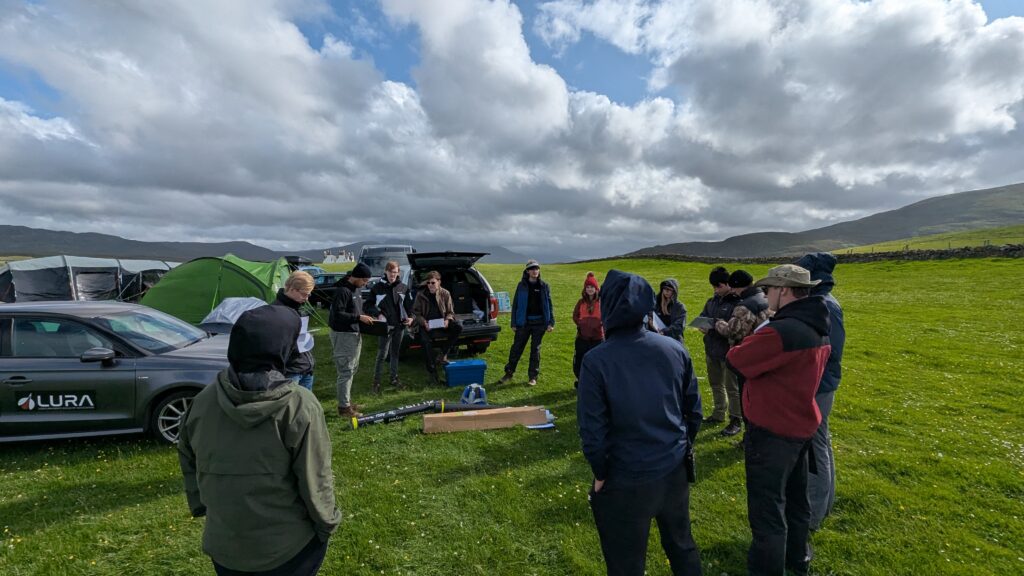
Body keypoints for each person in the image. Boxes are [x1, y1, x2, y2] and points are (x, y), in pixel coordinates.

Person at [178, 306, 341, 576]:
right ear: (283, 349)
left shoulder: (203, 401)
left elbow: (188, 460)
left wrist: (200, 504)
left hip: (226, 545)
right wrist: (328, 524)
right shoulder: (299, 405)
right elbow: (315, 477)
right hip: (289, 549)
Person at [578, 269, 703, 576]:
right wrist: (680, 447)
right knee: (682, 545)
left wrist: (600, 473)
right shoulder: (675, 349)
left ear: (608, 307)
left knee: (626, 562)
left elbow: (593, 431)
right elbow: (694, 412)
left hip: (627, 475)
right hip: (672, 466)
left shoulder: (596, 361)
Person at [726, 265, 831, 576]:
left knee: (767, 510)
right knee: (797, 501)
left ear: (784, 290)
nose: (766, 294)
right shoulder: (817, 324)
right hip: (801, 424)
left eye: (770, 288)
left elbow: (736, 359)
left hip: (773, 430)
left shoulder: (781, 331)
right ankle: (798, 559)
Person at [794, 252, 845, 531]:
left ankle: (813, 515)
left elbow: (829, 351)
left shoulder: (825, 306)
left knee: (815, 447)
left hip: (819, 384)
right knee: (821, 442)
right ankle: (824, 505)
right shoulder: (822, 302)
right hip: (821, 382)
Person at [716, 269, 771, 437]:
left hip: (748, 356)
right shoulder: (765, 298)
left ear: (738, 286)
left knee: (747, 398)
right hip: (766, 354)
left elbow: (734, 332)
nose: (733, 291)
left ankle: (750, 437)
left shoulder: (745, 305)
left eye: (733, 287)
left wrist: (718, 324)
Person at [329, 262, 375, 417]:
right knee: (346, 370)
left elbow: (357, 310)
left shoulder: (357, 289)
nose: (365, 284)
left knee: (352, 368)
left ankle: (347, 401)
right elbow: (338, 314)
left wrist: (365, 317)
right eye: (364, 280)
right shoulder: (343, 291)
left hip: (355, 333)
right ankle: (344, 408)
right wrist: (358, 317)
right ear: (357, 277)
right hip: (343, 335)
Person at [499, 259, 554, 387]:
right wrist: (513, 323)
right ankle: (508, 373)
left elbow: (549, 305)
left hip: (539, 324)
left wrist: (551, 322)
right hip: (523, 323)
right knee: (516, 349)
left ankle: (533, 377)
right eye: (532, 269)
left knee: (535, 350)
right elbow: (516, 305)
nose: (535, 271)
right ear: (527, 271)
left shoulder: (544, 286)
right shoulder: (521, 286)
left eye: (537, 268)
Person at [697, 266, 738, 427]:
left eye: (718, 286)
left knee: (732, 388)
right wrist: (702, 325)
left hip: (728, 352)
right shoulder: (711, 302)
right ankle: (719, 413)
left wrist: (716, 327)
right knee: (715, 384)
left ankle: (735, 419)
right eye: (714, 287)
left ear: (727, 284)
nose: (716, 290)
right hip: (711, 349)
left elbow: (735, 329)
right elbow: (703, 316)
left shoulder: (737, 303)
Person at [365, 261, 414, 393]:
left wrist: (411, 318)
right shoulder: (377, 288)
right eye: (390, 272)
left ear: (398, 273)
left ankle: (394, 378)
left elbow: (410, 307)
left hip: (399, 326)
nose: (393, 275)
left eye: (395, 272)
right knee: (382, 354)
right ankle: (376, 382)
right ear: (385, 272)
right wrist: (378, 314)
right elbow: (367, 306)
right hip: (384, 327)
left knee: (395, 353)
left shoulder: (403, 288)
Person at [412, 270, 463, 385]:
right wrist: (423, 322)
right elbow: (415, 313)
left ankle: (442, 354)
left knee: (458, 327)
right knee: (425, 342)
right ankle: (433, 373)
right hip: (427, 324)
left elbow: (450, 312)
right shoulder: (421, 295)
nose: (430, 285)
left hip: (442, 322)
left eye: (433, 283)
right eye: (428, 283)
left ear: (439, 282)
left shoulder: (445, 293)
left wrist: (447, 320)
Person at [273, 271, 316, 390]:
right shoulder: (276, 311)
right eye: (304, 294)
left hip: (305, 367)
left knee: (306, 402)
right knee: (291, 401)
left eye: (308, 295)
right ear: (292, 289)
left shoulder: (297, 307)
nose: (306, 299)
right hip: (291, 371)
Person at [571, 272, 604, 389]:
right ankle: (581, 381)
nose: (590, 289)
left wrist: (599, 325)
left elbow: (606, 317)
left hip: (597, 339)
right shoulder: (581, 302)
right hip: (582, 337)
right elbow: (575, 315)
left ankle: (595, 383)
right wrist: (581, 324)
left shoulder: (601, 302)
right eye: (588, 287)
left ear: (596, 288)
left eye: (592, 287)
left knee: (596, 361)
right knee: (580, 360)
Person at [649, 278, 687, 342]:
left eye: (669, 289)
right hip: (655, 336)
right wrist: (650, 320)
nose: (667, 291)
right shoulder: (655, 303)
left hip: (673, 339)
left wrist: (664, 332)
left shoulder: (679, 307)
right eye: (665, 288)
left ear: (674, 291)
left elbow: (679, 326)